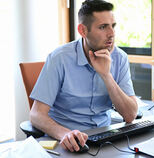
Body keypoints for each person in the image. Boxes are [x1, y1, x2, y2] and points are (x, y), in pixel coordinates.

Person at [29, 0, 138, 152]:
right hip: (67, 142)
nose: (111, 33)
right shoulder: (59, 58)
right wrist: (65, 134)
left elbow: (130, 115)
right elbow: (36, 115)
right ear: (83, 30)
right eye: (102, 27)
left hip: (105, 139)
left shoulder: (120, 58)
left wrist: (106, 75)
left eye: (112, 26)